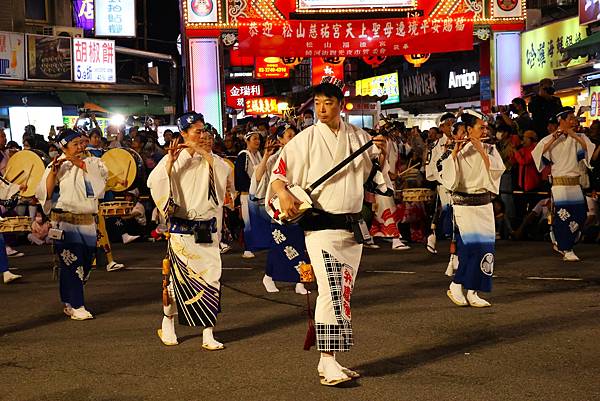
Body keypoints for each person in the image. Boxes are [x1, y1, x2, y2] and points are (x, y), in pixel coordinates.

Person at [267, 77, 390, 386]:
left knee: (343, 292)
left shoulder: (358, 136)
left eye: (328, 103)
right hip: (320, 227)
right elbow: (279, 173)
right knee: (332, 290)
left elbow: (373, 176)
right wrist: (282, 193)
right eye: (318, 103)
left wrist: (382, 152)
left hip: (351, 227)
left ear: (340, 105)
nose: (322, 109)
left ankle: (332, 359)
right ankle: (327, 359)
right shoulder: (305, 139)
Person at [148, 112, 232, 351]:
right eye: (196, 131)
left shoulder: (216, 161)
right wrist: (171, 162)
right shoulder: (175, 158)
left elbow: (221, 184)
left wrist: (206, 154)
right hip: (182, 230)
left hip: (207, 229)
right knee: (176, 283)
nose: (202, 135)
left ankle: (208, 331)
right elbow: (155, 183)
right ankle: (168, 323)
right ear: (183, 134)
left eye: (204, 130)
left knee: (210, 280)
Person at [35, 129, 108, 320]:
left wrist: (80, 164)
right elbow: (45, 194)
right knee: (71, 262)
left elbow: (101, 186)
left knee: (84, 264)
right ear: (64, 147)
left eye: (81, 142)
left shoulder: (94, 162)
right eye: (75, 144)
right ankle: (77, 305)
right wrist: (53, 172)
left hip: (87, 221)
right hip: (64, 221)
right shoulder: (56, 164)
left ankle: (68, 300)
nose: (80, 147)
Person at [439, 110, 505, 308]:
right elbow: (448, 179)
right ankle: (457, 284)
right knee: (470, 249)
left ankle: (474, 291)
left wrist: (481, 150)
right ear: (468, 129)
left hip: (484, 204)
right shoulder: (455, 150)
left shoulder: (490, 149)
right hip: (464, 206)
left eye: (485, 127)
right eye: (480, 127)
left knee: (486, 250)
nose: (485, 130)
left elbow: (496, 171)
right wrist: (454, 153)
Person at [251, 124, 309, 295]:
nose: (293, 138)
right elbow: (258, 178)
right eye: (289, 135)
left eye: (294, 134)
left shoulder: (303, 155)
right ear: (280, 139)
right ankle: (269, 276)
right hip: (279, 208)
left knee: (302, 245)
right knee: (280, 245)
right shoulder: (273, 159)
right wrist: (266, 157)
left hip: (300, 205)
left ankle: (301, 281)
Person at [532, 107, 596, 261]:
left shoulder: (579, 137)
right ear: (562, 121)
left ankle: (562, 242)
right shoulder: (550, 139)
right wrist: (555, 137)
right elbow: (538, 154)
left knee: (580, 216)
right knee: (563, 217)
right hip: (559, 185)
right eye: (571, 118)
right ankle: (566, 248)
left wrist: (573, 134)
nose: (574, 121)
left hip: (575, 184)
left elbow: (589, 151)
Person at [425, 112, 457, 254]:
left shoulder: (461, 140)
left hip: (460, 182)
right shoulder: (436, 146)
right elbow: (432, 168)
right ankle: (448, 242)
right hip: (445, 183)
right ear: (442, 127)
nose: (452, 127)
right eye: (449, 124)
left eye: (454, 124)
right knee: (449, 210)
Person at [235, 129, 266, 258]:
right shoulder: (244, 155)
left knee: (258, 220)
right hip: (247, 194)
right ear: (247, 141)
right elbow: (239, 176)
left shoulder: (259, 154)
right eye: (254, 139)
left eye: (258, 138)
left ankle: (257, 244)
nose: (257, 141)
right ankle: (248, 248)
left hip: (258, 193)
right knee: (247, 222)